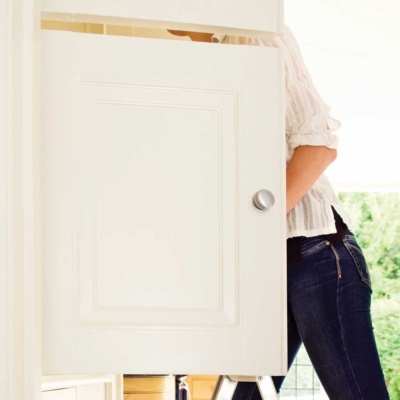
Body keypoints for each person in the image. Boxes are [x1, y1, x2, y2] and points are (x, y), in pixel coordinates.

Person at [167, 25, 390, 399]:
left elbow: (319, 144)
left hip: (317, 253)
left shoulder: (256, 34)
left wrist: (256, 228)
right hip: (269, 265)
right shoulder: (206, 64)